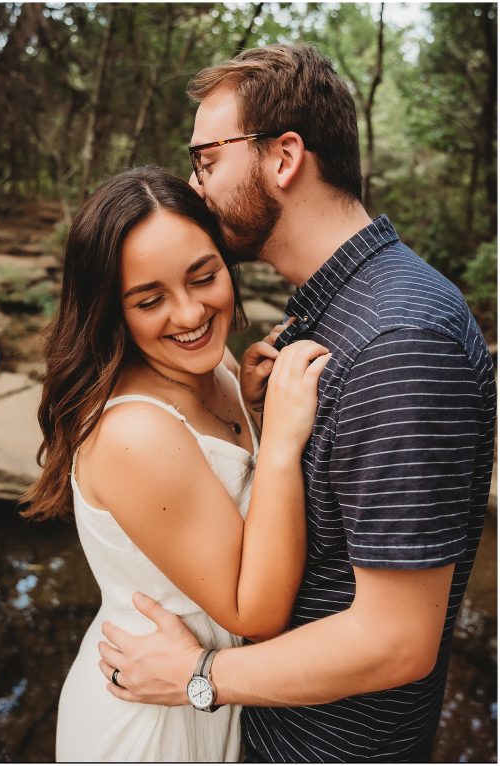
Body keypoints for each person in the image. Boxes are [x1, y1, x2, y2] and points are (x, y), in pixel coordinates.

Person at [97, 44, 496, 762]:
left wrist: (198, 676)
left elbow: (396, 641)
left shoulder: (397, 339)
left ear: (283, 158)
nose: (196, 185)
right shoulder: (335, 313)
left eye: (207, 160)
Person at [23, 165, 331, 761]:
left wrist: (257, 413)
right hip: (148, 720)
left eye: (204, 276)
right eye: (150, 299)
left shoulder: (211, 368)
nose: (189, 314)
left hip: (202, 688)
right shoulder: (135, 432)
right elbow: (256, 612)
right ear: (112, 310)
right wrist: (285, 443)